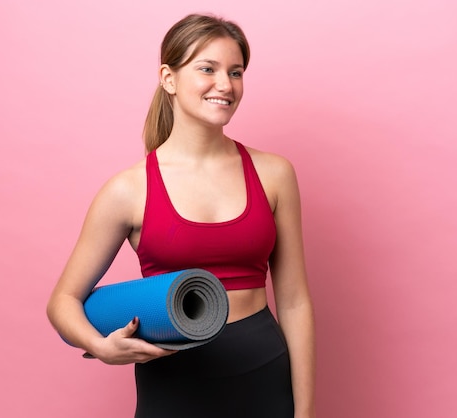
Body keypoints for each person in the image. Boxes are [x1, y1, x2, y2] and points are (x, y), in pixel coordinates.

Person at [47, 13, 316, 418]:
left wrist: (306, 412)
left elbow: (294, 303)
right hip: (173, 387)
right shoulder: (128, 189)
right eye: (207, 69)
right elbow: (62, 301)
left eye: (236, 72)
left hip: (264, 376)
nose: (225, 85)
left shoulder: (275, 174)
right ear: (168, 78)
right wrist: (102, 347)